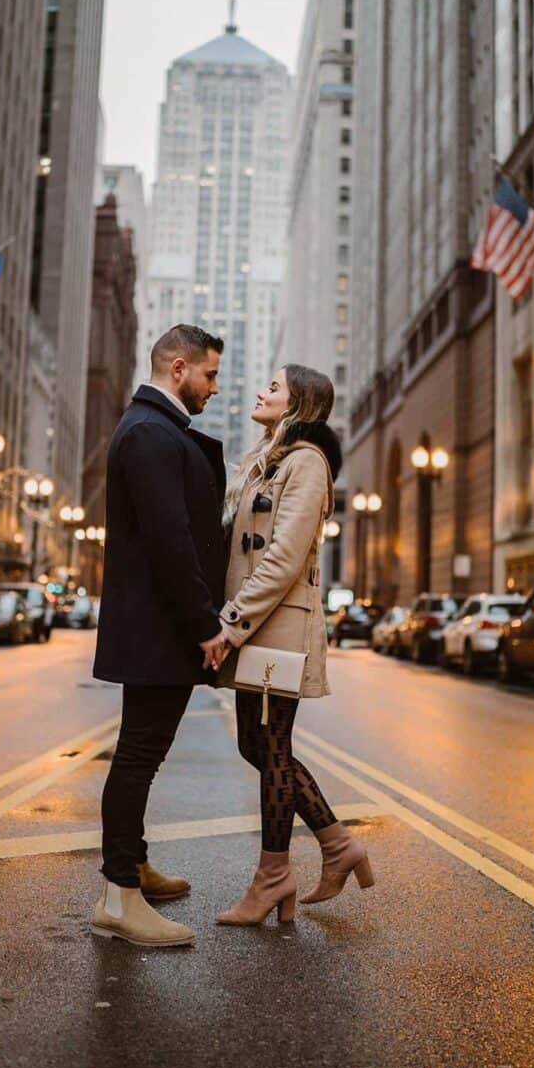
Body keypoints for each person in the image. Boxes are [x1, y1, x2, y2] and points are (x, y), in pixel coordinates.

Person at [215, 364, 374, 926]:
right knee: (257, 746)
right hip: (258, 626)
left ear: (298, 405)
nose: (262, 391)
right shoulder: (271, 460)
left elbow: (282, 558)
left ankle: (273, 877)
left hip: (277, 627)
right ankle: (335, 846)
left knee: (271, 748)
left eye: (274, 387)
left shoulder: (307, 463)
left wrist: (230, 623)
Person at [91, 324, 227, 948]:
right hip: (158, 627)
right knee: (138, 755)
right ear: (178, 368)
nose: (215, 388)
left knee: (141, 754)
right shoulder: (149, 433)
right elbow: (171, 540)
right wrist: (205, 625)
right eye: (209, 375)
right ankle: (120, 896)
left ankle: (133, 867)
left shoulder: (156, 429)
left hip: (154, 625)